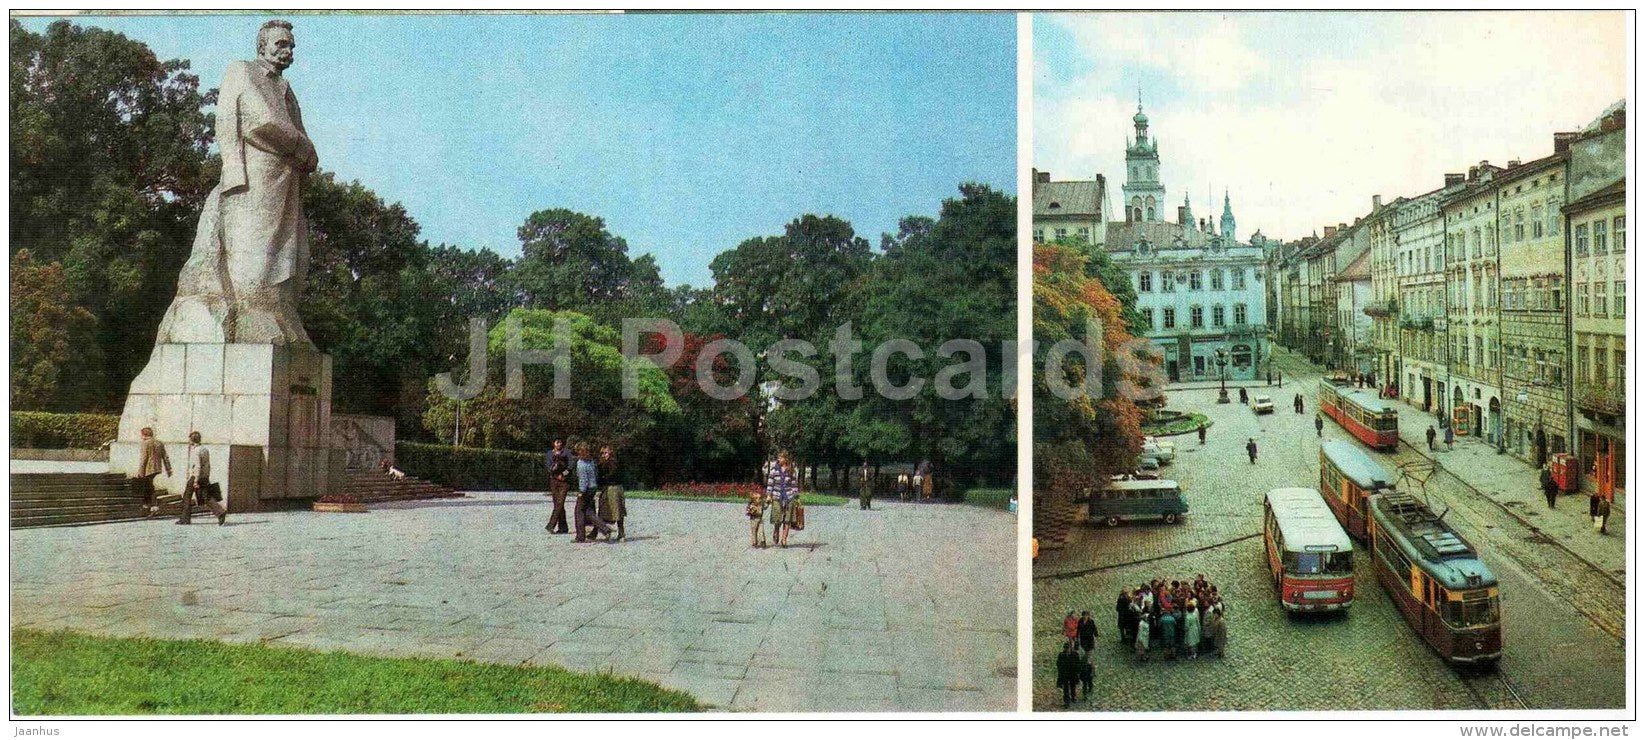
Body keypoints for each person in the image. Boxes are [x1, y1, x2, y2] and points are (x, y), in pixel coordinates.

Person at [152, 20, 319, 347]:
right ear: (262, 47)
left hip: (287, 182)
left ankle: (277, 310)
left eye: (291, 46)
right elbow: (260, 122)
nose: (288, 51)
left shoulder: (287, 91)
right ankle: (251, 310)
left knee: (293, 256)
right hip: (254, 178)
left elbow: (299, 134)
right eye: (281, 44)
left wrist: (304, 152)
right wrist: (303, 150)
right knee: (254, 252)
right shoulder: (242, 72)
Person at [178, 431, 226, 526]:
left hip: (196, 476)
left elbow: (198, 466)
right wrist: (206, 476)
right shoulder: (205, 449)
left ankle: (185, 519)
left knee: (186, 497)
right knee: (205, 496)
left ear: (192, 440)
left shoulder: (196, 451)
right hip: (204, 476)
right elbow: (207, 465)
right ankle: (220, 512)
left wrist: (196, 480)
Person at [572, 442, 613, 543]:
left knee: (579, 511)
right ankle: (604, 529)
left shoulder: (580, 463)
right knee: (588, 510)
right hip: (593, 487)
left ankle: (580, 536)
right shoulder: (592, 462)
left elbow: (583, 479)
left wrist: (581, 491)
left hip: (586, 489)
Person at [132, 427, 172, 518]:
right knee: (148, 487)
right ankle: (146, 507)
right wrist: (168, 469)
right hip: (157, 468)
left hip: (148, 469)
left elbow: (144, 458)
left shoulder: (145, 443)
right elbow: (165, 457)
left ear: (143, 434)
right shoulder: (159, 443)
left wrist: (140, 472)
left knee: (149, 488)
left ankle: (153, 507)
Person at [767, 451, 802, 547]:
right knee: (777, 518)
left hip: (789, 497)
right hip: (777, 496)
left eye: (781, 458)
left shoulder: (791, 470)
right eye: (778, 457)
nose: (779, 459)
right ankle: (776, 530)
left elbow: (794, 485)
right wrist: (769, 495)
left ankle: (784, 539)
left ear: (786, 459)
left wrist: (797, 498)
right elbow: (770, 483)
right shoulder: (774, 470)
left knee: (787, 519)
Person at [596, 445, 626, 541]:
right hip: (608, 488)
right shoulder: (603, 463)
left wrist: (603, 478)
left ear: (611, 453)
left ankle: (620, 533)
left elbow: (612, 475)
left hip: (613, 488)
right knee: (605, 510)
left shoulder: (613, 463)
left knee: (617, 511)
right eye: (602, 453)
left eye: (605, 453)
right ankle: (605, 531)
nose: (603, 455)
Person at [544, 438, 571, 534]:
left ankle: (551, 525)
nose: (559, 444)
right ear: (553, 443)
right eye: (557, 442)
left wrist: (563, 475)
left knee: (560, 502)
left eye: (560, 442)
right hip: (554, 481)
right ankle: (563, 528)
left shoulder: (567, 453)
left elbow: (570, 467)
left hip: (564, 482)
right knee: (558, 504)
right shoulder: (549, 454)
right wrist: (555, 473)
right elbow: (548, 467)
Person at [1056, 641, 1080, 708]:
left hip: (1072, 673)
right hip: (1065, 674)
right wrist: (1060, 673)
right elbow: (1058, 664)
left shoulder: (1075, 654)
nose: (1066, 649)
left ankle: (1073, 697)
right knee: (1066, 688)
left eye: (1068, 648)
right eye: (1065, 648)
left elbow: (1078, 664)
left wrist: (1077, 672)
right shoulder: (1061, 655)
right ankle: (1067, 702)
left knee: (1073, 686)